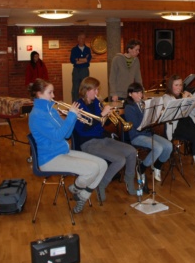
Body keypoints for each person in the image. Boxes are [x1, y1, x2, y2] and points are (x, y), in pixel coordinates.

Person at [28, 78, 107, 214]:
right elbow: (57, 136)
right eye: (50, 92)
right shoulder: (37, 115)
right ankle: (76, 188)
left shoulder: (52, 111)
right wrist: (70, 116)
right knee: (93, 168)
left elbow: (67, 135)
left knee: (102, 164)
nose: (53, 95)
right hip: (50, 159)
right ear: (39, 94)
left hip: (62, 151)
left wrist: (74, 118)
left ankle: (82, 195)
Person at [73, 77, 138, 202]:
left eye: (97, 89)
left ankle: (129, 180)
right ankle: (101, 184)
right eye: (95, 90)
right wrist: (102, 114)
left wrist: (108, 115)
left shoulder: (96, 103)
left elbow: (102, 123)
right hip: (88, 142)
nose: (97, 92)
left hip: (103, 138)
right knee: (120, 159)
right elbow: (82, 129)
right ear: (86, 90)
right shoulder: (78, 106)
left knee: (131, 151)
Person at [124, 82, 172, 183]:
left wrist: (152, 111)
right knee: (158, 148)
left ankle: (157, 167)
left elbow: (150, 121)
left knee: (168, 146)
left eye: (140, 92)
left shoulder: (142, 104)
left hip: (148, 133)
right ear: (130, 94)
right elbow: (137, 126)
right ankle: (141, 168)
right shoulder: (129, 107)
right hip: (137, 136)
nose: (139, 95)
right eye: (136, 93)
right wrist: (146, 110)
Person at [70, 33, 92, 102]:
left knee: (85, 87)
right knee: (75, 88)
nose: (82, 40)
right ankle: (75, 103)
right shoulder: (74, 49)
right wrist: (83, 60)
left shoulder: (87, 49)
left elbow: (87, 60)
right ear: (78, 39)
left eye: (84, 38)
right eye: (81, 38)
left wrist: (78, 59)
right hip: (76, 70)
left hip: (84, 70)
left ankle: (85, 102)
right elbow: (73, 60)